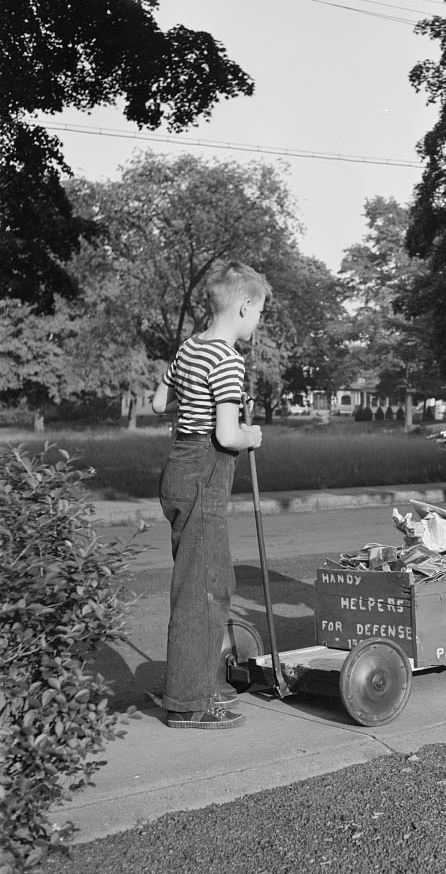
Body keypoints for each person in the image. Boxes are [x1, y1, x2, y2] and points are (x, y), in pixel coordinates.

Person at [151, 260, 270, 728]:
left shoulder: (189, 348)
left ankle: (200, 680)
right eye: (258, 313)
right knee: (202, 591)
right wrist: (251, 434)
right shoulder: (227, 359)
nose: (257, 322)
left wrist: (173, 405)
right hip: (205, 470)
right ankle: (188, 702)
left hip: (180, 465)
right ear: (244, 307)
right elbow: (226, 435)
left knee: (211, 581)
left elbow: (162, 399)